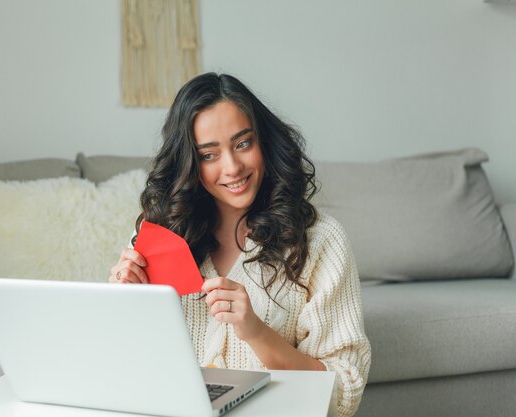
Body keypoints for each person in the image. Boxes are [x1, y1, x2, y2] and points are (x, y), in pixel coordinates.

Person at [108, 73, 371, 417]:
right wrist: (122, 303)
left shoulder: (321, 240)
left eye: (243, 143)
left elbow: (345, 392)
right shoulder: (159, 234)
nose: (232, 167)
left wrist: (256, 331)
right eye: (209, 154)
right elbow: (123, 370)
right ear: (189, 163)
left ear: (263, 141)